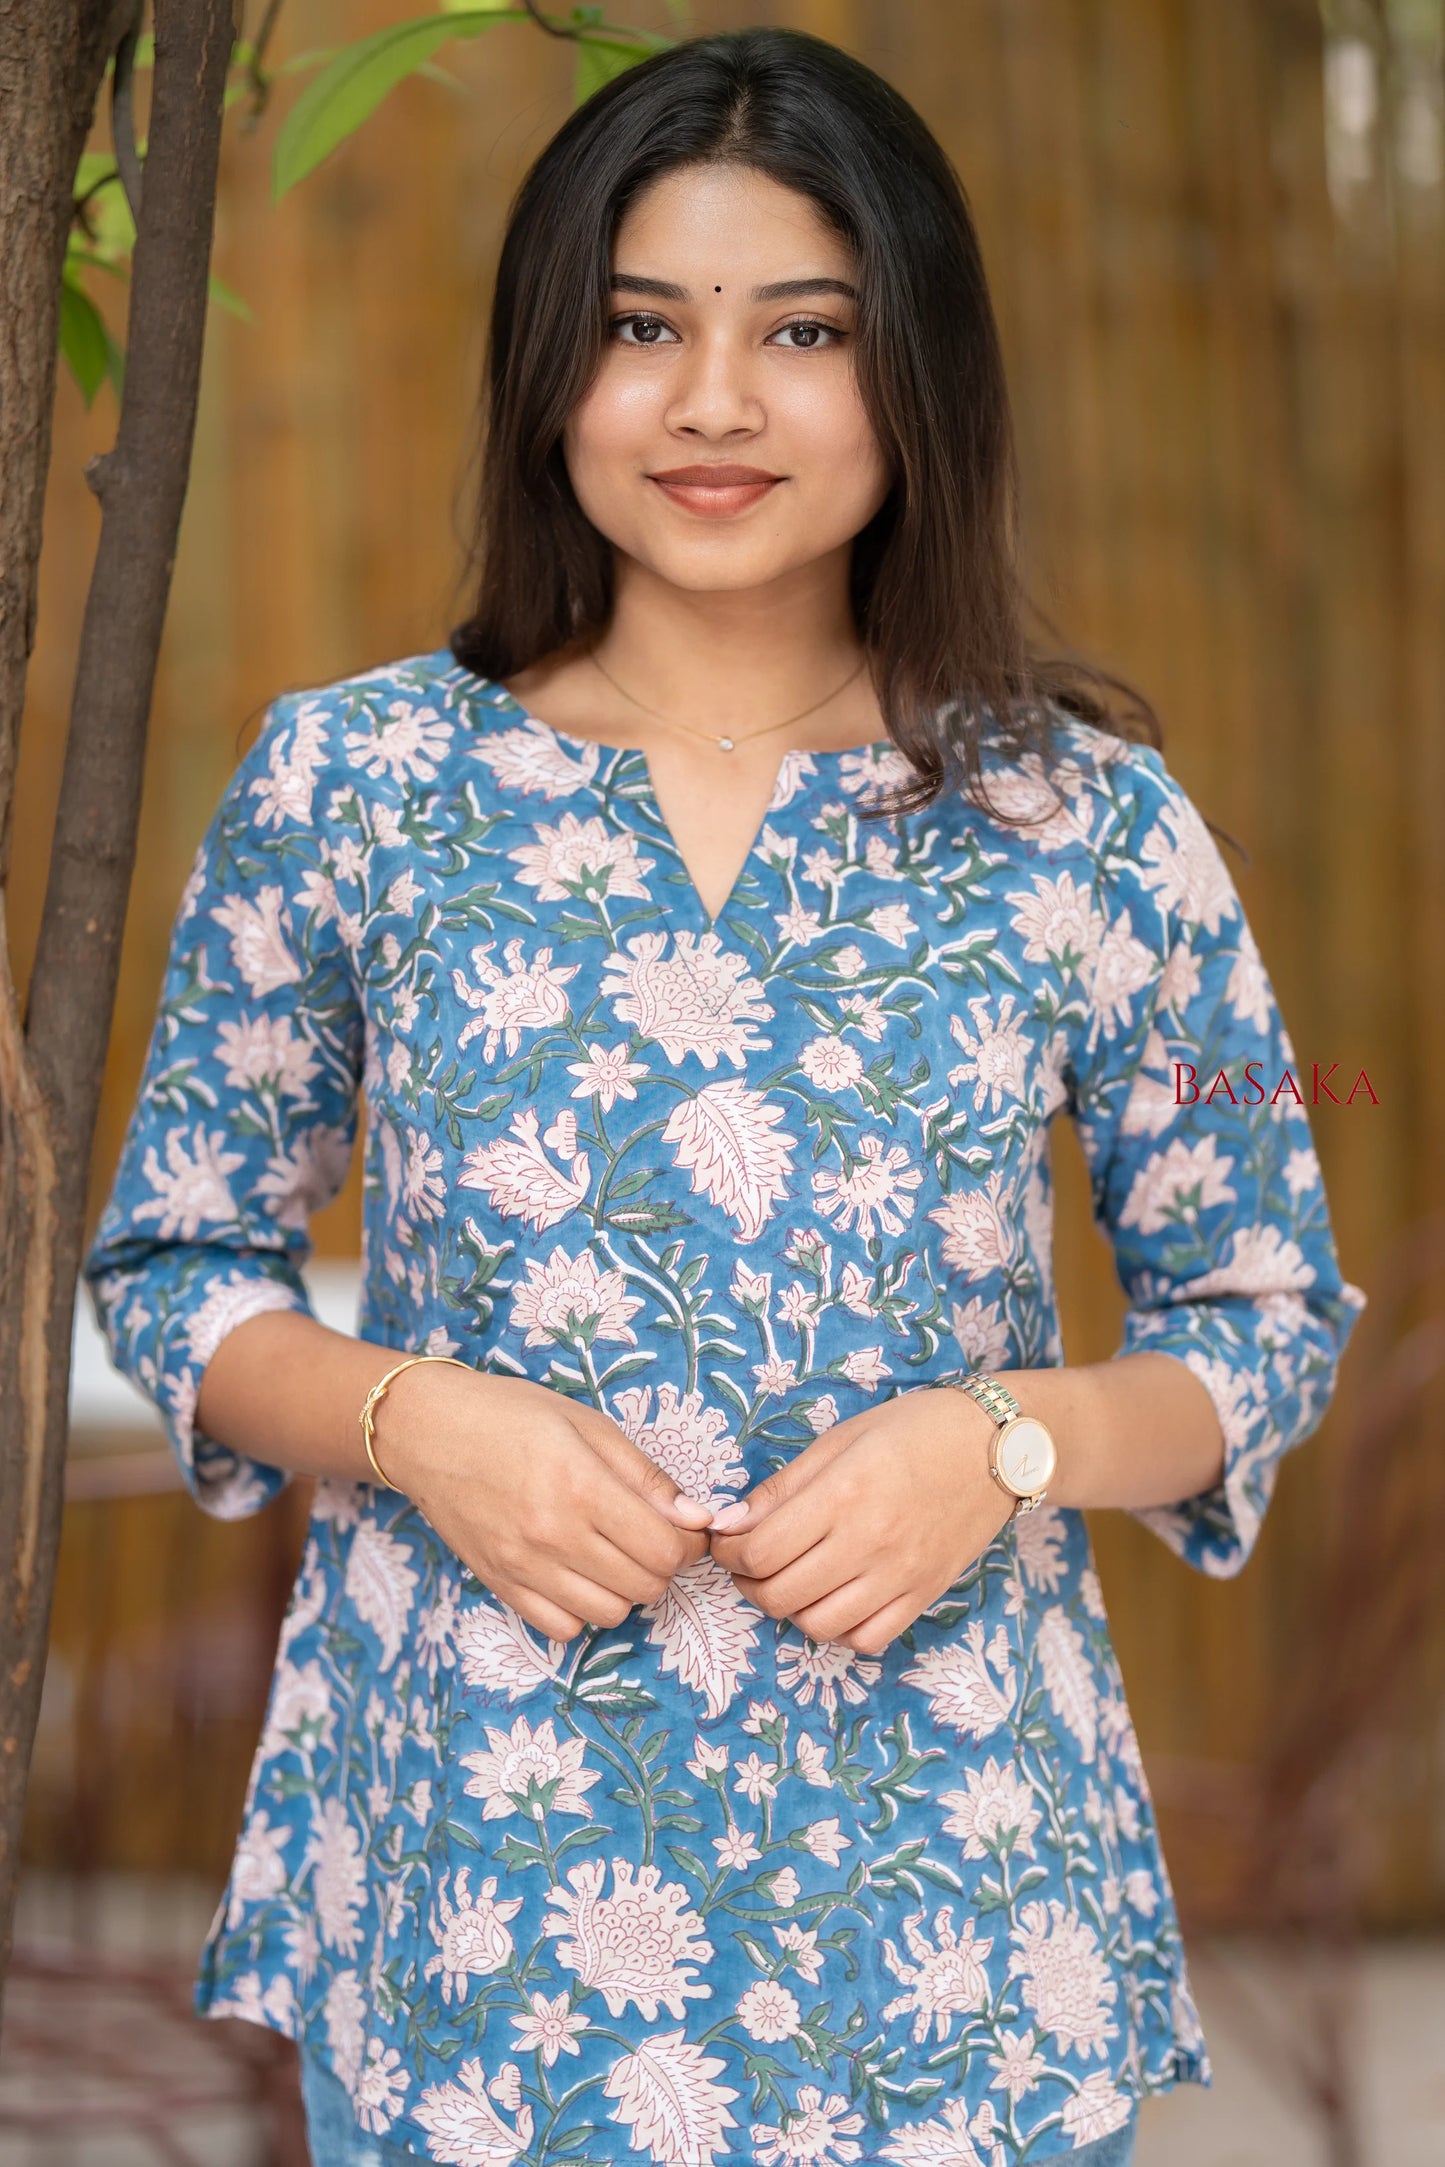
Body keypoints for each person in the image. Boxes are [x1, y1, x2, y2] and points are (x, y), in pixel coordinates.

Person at [84, 26, 1366, 2167]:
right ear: (544, 372)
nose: (710, 401)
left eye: (804, 332)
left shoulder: (1088, 827)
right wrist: (424, 1420)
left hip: (957, 1909)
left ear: (916, 371)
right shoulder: (360, 790)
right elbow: (178, 1266)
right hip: (477, 1908)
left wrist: (1006, 1437)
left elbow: (1263, 1316)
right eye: (640, 328)